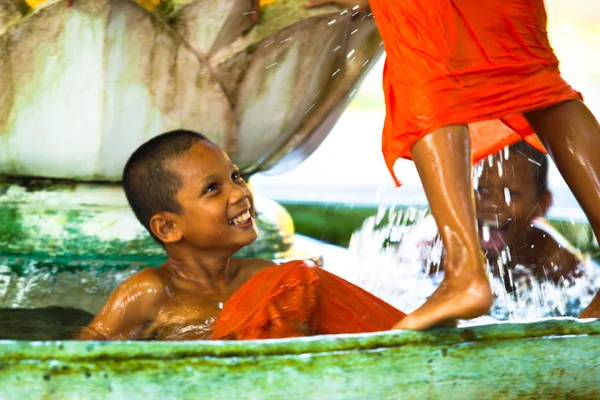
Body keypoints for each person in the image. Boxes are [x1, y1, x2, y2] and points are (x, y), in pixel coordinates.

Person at [303, 0, 600, 328]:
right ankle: (464, 274)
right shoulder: (426, 244)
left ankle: (463, 275)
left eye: (511, 194)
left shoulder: (552, 252)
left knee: (425, 59)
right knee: (527, 68)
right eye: (483, 189)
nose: (492, 204)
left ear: (542, 204)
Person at [75, 130, 405, 341]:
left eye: (235, 176)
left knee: (301, 279)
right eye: (212, 188)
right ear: (168, 228)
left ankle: (412, 341)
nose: (239, 193)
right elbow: (79, 358)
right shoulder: (150, 291)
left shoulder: (262, 275)